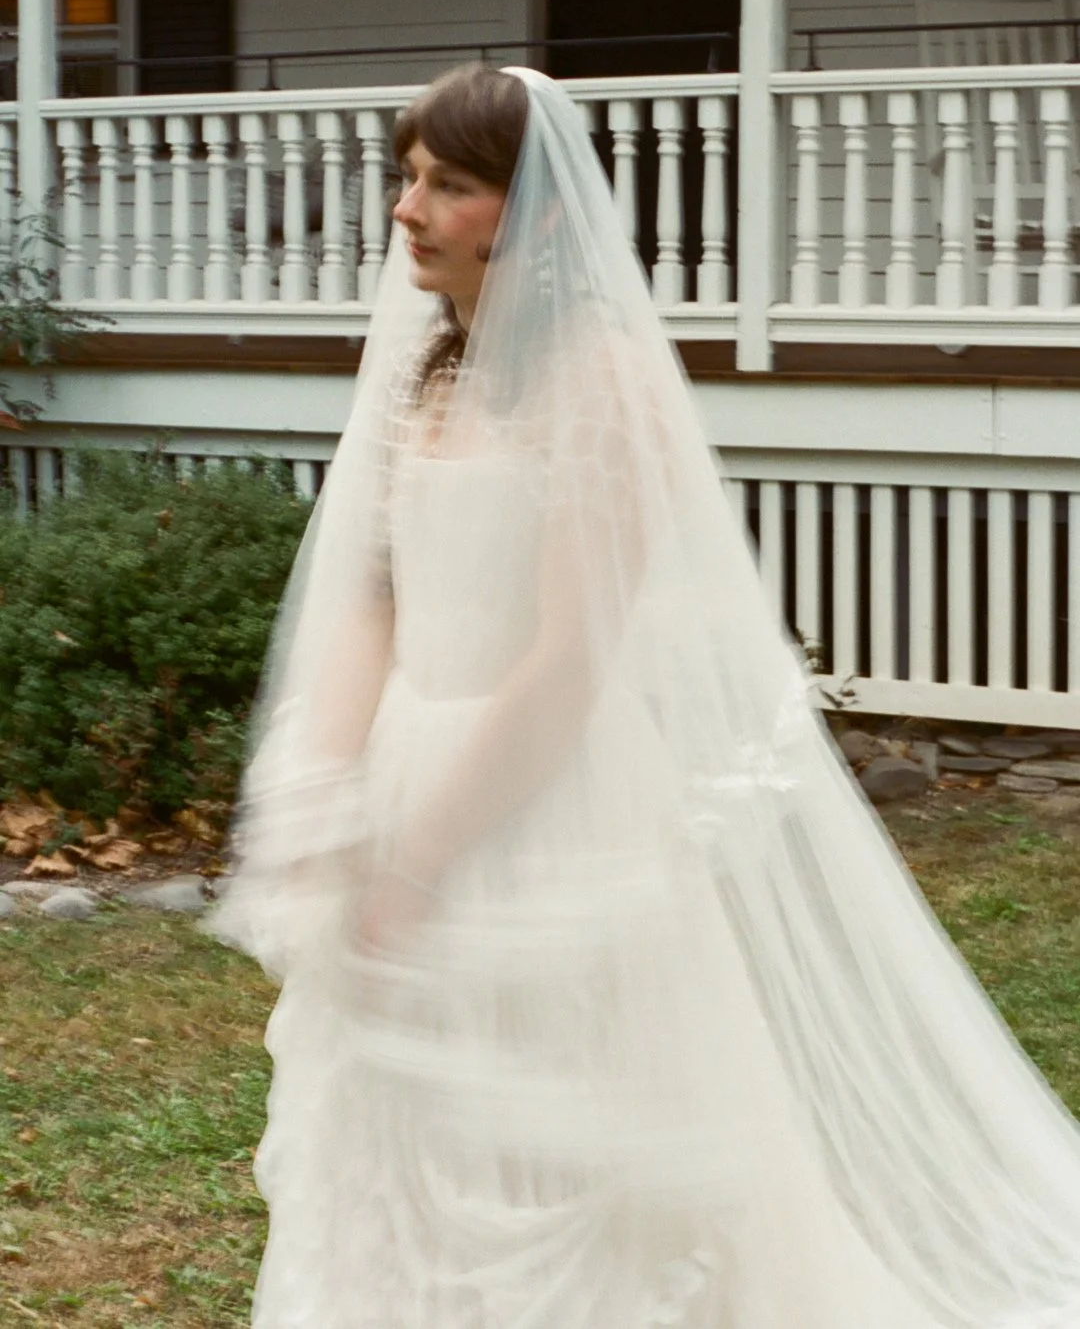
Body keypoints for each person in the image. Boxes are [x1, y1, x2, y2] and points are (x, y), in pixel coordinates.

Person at [205, 65, 1080, 1328]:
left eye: (448, 185)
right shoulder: (424, 377)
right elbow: (375, 597)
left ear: (536, 213)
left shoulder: (602, 384)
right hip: (404, 762)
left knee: (578, 1132)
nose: (407, 209)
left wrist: (423, 859)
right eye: (407, 177)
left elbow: (568, 662)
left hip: (547, 793)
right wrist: (326, 786)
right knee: (395, 1120)